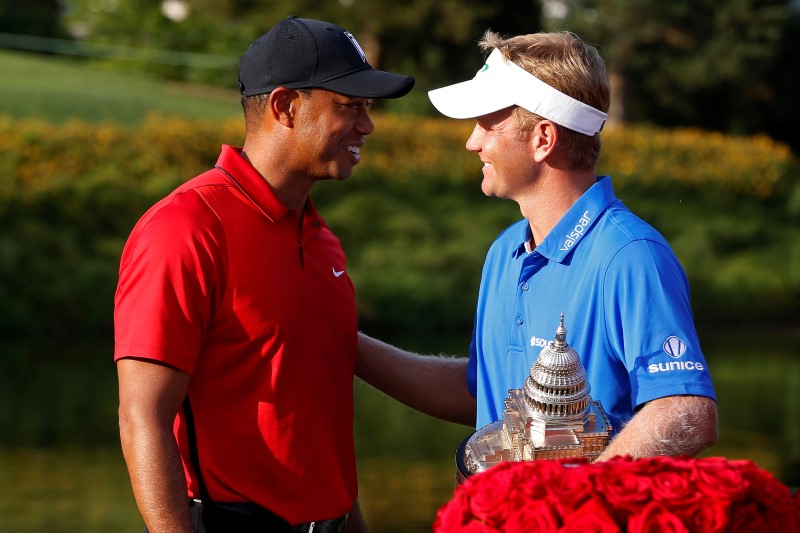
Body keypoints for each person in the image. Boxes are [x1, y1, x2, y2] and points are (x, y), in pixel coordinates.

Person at [356, 30, 717, 460]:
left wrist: (573, 505)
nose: (473, 142)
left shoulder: (630, 255)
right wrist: (346, 345)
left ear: (543, 139)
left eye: (488, 123)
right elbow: (480, 392)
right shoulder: (504, 251)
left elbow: (683, 410)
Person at [114, 16, 414, 533]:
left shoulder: (322, 240)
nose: (368, 125)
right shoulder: (184, 228)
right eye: (351, 107)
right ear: (285, 107)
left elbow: (318, 435)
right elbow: (142, 418)